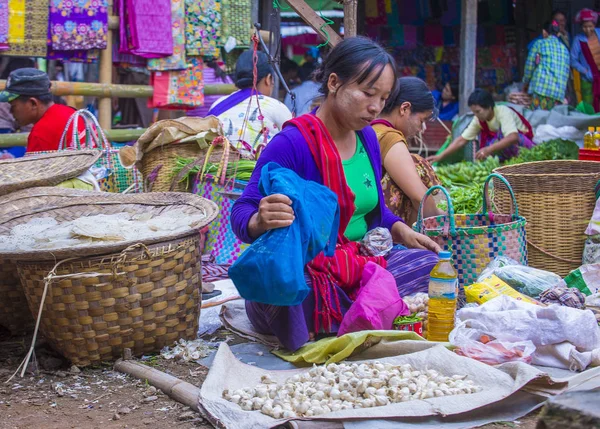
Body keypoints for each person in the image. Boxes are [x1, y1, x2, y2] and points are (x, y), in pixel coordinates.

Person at [231, 37, 440, 351]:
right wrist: (261, 219)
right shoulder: (294, 143)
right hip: (313, 270)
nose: (375, 107)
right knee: (289, 291)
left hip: (360, 263)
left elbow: (376, 213)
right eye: (368, 93)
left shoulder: (368, 139)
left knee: (430, 265)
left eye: (383, 98)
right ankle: (364, 310)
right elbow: (241, 211)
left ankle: (350, 313)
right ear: (333, 83)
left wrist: (403, 232)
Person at [372, 76, 443, 226]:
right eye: (421, 120)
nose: (421, 129)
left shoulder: (372, 129)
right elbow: (419, 197)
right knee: (418, 164)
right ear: (404, 108)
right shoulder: (391, 138)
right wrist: (444, 220)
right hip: (381, 227)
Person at [208, 50, 292, 157]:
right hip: (260, 172)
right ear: (268, 79)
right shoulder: (276, 107)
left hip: (216, 170)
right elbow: (295, 142)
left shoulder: (217, 104)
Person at [427, 89, 534, 163]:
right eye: (474, 112)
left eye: (478, 111)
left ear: (489, 107)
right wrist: (440, 156)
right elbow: (462, 140)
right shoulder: (479, 119)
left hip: (524, 147)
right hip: (508, 151)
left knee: (499, 138)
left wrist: (488, 149)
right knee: (489, 145)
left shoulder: (503, 111)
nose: (476, 115)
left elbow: (513, 137)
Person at [0, 68, 85, 153]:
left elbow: (34, 166)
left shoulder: (40, 134)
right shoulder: (70, 112)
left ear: (33, 103)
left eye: (13, 106)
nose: (11, 111)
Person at [523, 21, 570, 110]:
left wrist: (525, 82)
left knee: (538, 120)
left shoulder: (539, 44)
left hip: (541, 90)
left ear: (544, 32)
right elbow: (566, 72)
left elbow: (529, 66)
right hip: (558, 94)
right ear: (558, 34)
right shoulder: (565, 49)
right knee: (553, 122)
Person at [571, 8, 600, 112]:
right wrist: (585, 70)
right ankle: (591, 127)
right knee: (589, 106)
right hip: (587, 79)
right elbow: (573, 60)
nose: (588, 30)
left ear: (595, 25)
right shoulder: (578, 40)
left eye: (590, 26)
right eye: (584, 27)